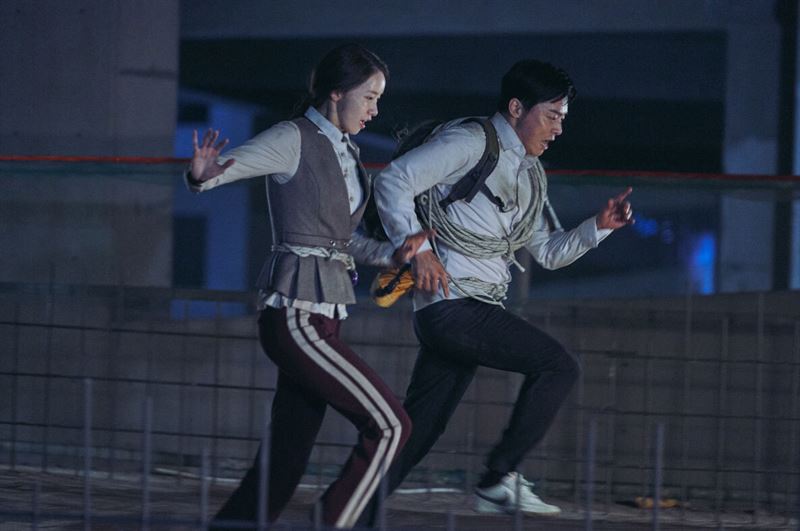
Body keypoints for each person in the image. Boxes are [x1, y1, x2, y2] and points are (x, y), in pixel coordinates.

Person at [362, 59, 634, 520]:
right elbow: (393, 180)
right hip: (453, 306)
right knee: (558, 366)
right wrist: (419, 252)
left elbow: (547, 252)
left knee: (419, 429)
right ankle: (497, 480)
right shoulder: (470, 141)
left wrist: (599, 227)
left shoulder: (528, 173)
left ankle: (346, 511)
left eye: (563, 118)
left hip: (463, 311)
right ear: (516, 108)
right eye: (552, 115)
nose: (558, 128)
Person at [187, 43, 428, 529]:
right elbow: (221, 171)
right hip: (294, 316)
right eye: (370, 97)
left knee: (286, 457)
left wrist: (393, 255)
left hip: (325, 314)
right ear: (336, 93)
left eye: (379, 99)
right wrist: (203, 175)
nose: (375, 110)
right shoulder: (292, 137)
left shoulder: (347, 150)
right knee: (390, 425)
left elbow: (341, 240)